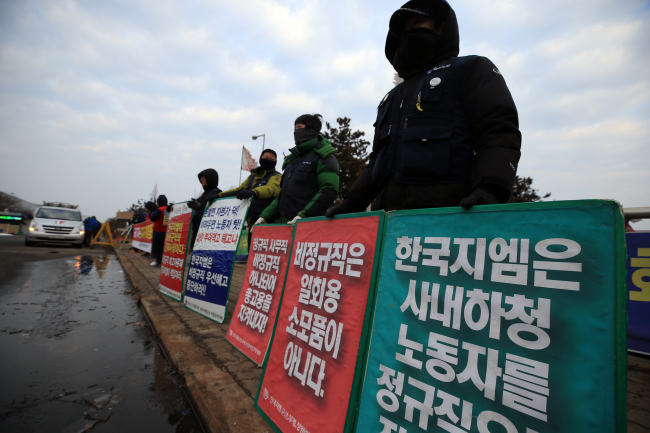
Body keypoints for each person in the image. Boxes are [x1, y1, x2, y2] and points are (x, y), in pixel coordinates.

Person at [326, 0, 521, 217]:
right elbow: (377, 161)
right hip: (388, 223)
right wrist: (353, 201)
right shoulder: (390, 98)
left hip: (452, 216)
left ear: (441, 27)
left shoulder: (470, 69)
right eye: (404, 29)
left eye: (418, 22)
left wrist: (490, 189)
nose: (409, 32)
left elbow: (498, 133)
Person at [255, 114, 340, 227]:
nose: (295, 131)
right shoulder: (292, 160)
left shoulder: (324, 157)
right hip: (283, 227)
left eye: (299, 127)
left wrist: (304, 216)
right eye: (294, 128)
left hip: (307, 227)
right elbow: (282, 195)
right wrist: (265, 216)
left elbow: (328, 191)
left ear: (311, 130)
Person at [219, 149, 282, 228]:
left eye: (272, 159)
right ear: (260, 159)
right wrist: (219, 195)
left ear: (275, 162)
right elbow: (239, 190)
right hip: (250, 220)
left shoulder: (277, 176)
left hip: (267, 220)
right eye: (266, 157)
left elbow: (271, 188)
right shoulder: (252, 177)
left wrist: (253, 192)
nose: (269, 159)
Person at [187, 169, 221, 249]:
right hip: (198, 229)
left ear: (211, 178)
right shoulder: (204, 194)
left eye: (204, 177)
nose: (201, 179)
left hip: (207, 231)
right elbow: (195, 204)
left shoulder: (217, 193)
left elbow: (216, 209)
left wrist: (200, 206)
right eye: (201, 178)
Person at [148, 195, 169, 268]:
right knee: (164, 248)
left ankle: (159, 262)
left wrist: (152, 212)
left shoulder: (159, 210)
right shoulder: (169, 209)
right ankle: (164, 261)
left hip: (158, 231)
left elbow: (152, 218)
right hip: (167, 231)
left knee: (158, 248)